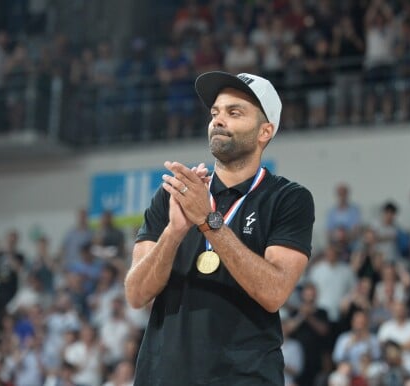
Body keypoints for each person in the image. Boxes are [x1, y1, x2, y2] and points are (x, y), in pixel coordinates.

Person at [124, 71, 315, 385]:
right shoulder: (174, 195)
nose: (218, 120)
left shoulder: (288, 198)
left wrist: (208, 221)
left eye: (234, 112)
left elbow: (274, 292)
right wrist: (174, 231)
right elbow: (136, 294)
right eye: (215, 113)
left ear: (264, 131)